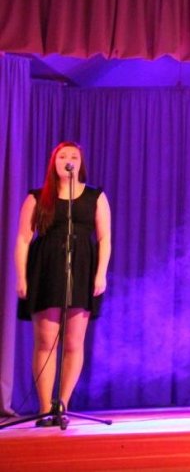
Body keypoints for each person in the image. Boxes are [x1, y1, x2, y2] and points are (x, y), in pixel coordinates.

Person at [14, 142, 111, 428]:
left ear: (81, 163)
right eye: (62, 156)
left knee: (73, 343)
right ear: (53, 163)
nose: (68, 160)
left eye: (74, 156)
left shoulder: (95, 197)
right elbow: (23, 240)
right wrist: (21, 277)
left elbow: (104, 238)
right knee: (46, 342)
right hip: (46, 269)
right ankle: (45, 408)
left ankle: (62, 405)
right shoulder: (37, 197)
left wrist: (101, 274)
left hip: (81, 270)